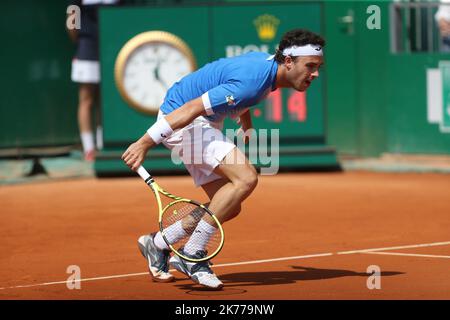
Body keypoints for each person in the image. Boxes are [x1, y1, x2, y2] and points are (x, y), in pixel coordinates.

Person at [122, 29, 325, 289]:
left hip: (200, 121)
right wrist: (144, 143)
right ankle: (193, 255)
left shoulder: (266, 67)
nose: (315, 74)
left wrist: (245, 118)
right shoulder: (253, 81)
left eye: (318, 67)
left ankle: (159, 242)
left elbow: (235, 87)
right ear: (288, 61)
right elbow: (192, 108)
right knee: (246, 177)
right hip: (184, 120)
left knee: (228, 204)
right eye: (310, 66)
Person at [67, 0, 121, 161]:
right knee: (87, 100)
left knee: (105, 101)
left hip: (112, 49)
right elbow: (72, 19)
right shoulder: (77, 4)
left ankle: (103, 144)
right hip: (87, 48)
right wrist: (81, 40)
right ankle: (89, 148)